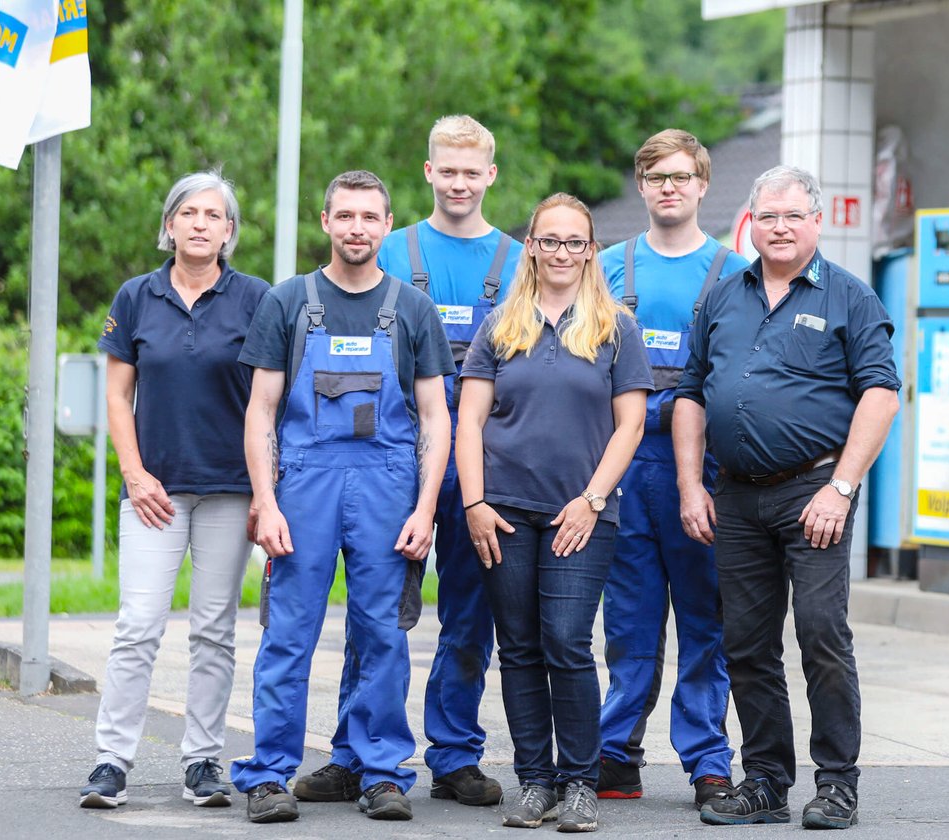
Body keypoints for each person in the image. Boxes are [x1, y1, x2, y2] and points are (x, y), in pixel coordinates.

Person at [298, 114, 519, 809]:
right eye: (445, 170)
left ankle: (454, 756)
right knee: (378, 613)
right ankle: (353, 754)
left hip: (486, 465)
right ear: (429, 173)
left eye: (470, 171)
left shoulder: (519, 260)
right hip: (394, 461)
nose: (458, 183)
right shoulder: (386, 247)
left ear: (490, 174)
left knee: (469, 616)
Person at [674, 165, 900, 829]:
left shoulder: (850, 298)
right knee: (745, 643)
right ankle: (766, 781)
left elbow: (881, 396)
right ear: (751, 221)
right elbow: (690, 393)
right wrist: (691, 483)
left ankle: (837, 785)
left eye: (792, 216)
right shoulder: (723, 297)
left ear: (816, 223)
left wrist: (841, 486)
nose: (778, 227)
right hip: (736, 497)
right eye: (767, 216)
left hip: (815, 492)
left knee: (821, 633)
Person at [228, 171, 453, 824]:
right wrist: (265, 501)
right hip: (304, 488)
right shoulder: (290, 302)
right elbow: (261, 411)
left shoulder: (412, 308)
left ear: (388, 226)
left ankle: (381, 772)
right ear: (325, 221)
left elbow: (437, 417)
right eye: (345, 216)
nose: (357, 228)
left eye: (370, 217)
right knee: (289, 634)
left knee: (383, 634)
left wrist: (425, 507)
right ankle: (269, 774)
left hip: (388, 490)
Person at [456, 193, 652, 833]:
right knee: (518, 647)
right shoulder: (499, 325)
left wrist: (592, 499)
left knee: (567, 643)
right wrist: (475, 502)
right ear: (532, 247)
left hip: (582, 514)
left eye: (575, 241)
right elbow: (470, 420)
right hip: (504, 512)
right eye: (550, 240)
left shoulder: (615, 326)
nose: (562, 252)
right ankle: (536, 782)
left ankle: (580, 783)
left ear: (590, 250)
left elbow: (630, 424)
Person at [80, 171, 270, 810]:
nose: (198, 223)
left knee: (214, 630)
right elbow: (116, 394)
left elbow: (271, 402)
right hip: (153, 492)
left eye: (213, 215)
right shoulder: (136, 296)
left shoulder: (257, 300)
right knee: (137, 627)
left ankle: (202, 763)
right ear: (169, 224)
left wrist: (268, 491)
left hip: (229, 489)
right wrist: (134, 474)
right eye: (187, 212)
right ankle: (111, 761)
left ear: (229, 231)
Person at [597, 128, 747, 808]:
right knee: (627, 624)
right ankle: (615, 753)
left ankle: (709, 763)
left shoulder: (733, 271)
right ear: (641, 185)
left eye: (682, 176)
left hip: (699, 471)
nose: (669, 187)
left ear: (702, 185)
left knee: (703, 624)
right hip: (623, 467)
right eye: (657, 176)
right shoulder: (607, 266)